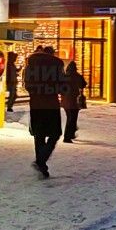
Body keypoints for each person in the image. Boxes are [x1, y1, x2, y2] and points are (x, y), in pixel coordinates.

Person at [24, 45, 64, 178]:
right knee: (55, 134)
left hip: (36, 105)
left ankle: (41, 163)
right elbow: (63, 87)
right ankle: (41, 160)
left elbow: (27, 86)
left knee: (39, 135)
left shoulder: (30, 65)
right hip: (51, 105)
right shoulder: (57, 65)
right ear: (52, 54)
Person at [60, 61, 87, 143]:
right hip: (74, 101)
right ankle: (67, 136)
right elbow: (84, 84)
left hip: (65, 101)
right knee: (72, 119)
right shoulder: (77, 76)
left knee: (70, 118)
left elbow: (60, 89)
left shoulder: (64, 77)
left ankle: (71, 134)